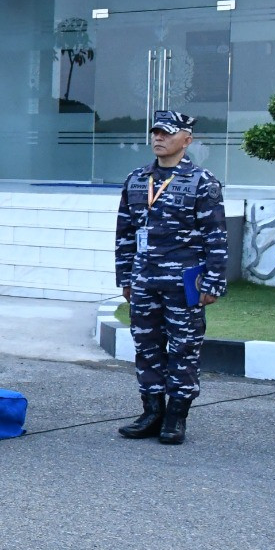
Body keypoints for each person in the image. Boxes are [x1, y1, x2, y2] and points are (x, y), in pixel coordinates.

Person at [114, 110, 228, 445]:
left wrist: (213, 282)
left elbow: (215, 236)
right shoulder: (136, 179)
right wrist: (126, 277)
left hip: (184, 282)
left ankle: (176, 416)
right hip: (145, 280)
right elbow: (125, 232)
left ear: (187, 139)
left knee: (184, 347)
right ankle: (152, 412)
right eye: (155, 133)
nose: (158, 138)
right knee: (146, 347)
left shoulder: (201, 181)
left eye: (166, 133)